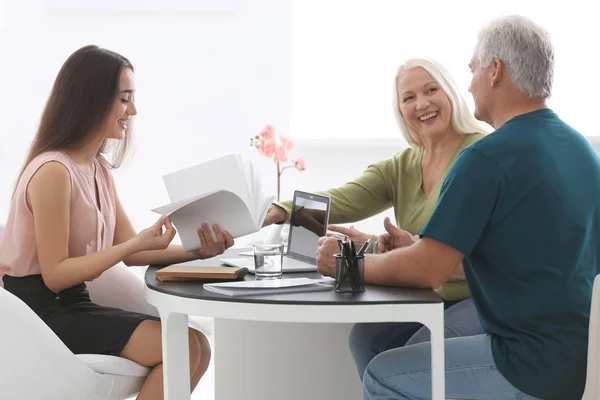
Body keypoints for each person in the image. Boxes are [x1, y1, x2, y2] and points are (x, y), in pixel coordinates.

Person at [317, 15, 600, 400]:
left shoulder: (486, 157)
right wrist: (414, 248)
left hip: (524, 363)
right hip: (580, 356)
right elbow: (525, 259)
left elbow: (427, 270)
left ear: (495, 71)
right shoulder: (581, 150)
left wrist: (345, 264)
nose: (469, 85)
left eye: (472, 71)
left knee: (382, 375)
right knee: (375, 344)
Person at [0, 45, 234, 399]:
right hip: (41, 314)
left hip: (72, 303)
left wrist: (198, 250)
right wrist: (134, 244)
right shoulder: (53, 171)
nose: (133, 111)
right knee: (183, 346)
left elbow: (134, 254)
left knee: (197, 344)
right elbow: (55, 274)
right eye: (124, 99)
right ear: (91, 99)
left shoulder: (96, 168)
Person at [263, 58, 489, 379]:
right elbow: (346, 196)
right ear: (400, 110)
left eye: (430, 90)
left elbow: (454, 249)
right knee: (365, 338)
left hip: (478, 297)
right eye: (408, 98)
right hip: (429, 296)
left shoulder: (478, 155)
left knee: (411, 357)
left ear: (450, 92)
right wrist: (280, 212)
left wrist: (369, 245)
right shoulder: (403, 165)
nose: (421, 104)